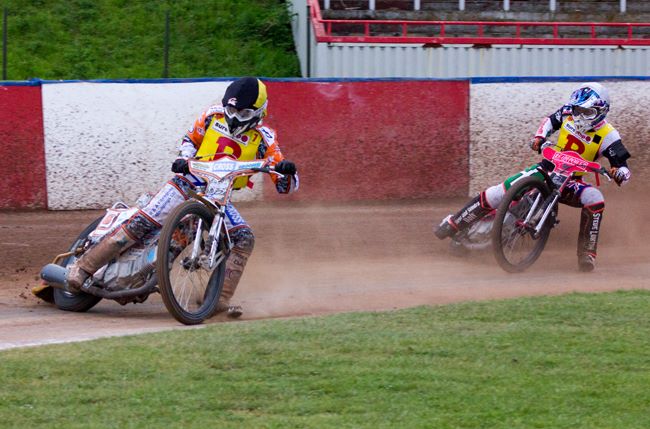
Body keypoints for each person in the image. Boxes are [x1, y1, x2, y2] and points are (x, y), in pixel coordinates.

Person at [66, 77, 299, 317]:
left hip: (218, 198)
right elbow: (190, 140)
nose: (236, 117)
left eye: (244, 113)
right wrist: (184, 158)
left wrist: (286, 173)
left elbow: (285, 183)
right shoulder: (212, 116)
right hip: (186, 183)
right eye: (232, 110)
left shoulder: (265, 138)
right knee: (143, 221)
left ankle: (218, 299)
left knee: (244, 239)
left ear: (259, 112)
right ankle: (83, 267)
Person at [435, 82, 631, 272]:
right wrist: (539, 137)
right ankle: (454, 223)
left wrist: (619, 173)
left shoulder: (610, 135)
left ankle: (587, 253)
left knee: (595, 198)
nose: (579, 115)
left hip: (572, 182)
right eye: (578, 109)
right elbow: (549, 121)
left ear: (601, 111)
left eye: (586, 112)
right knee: (498, 192)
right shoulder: (567, 112)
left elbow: (623, 167)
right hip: (546, 169)